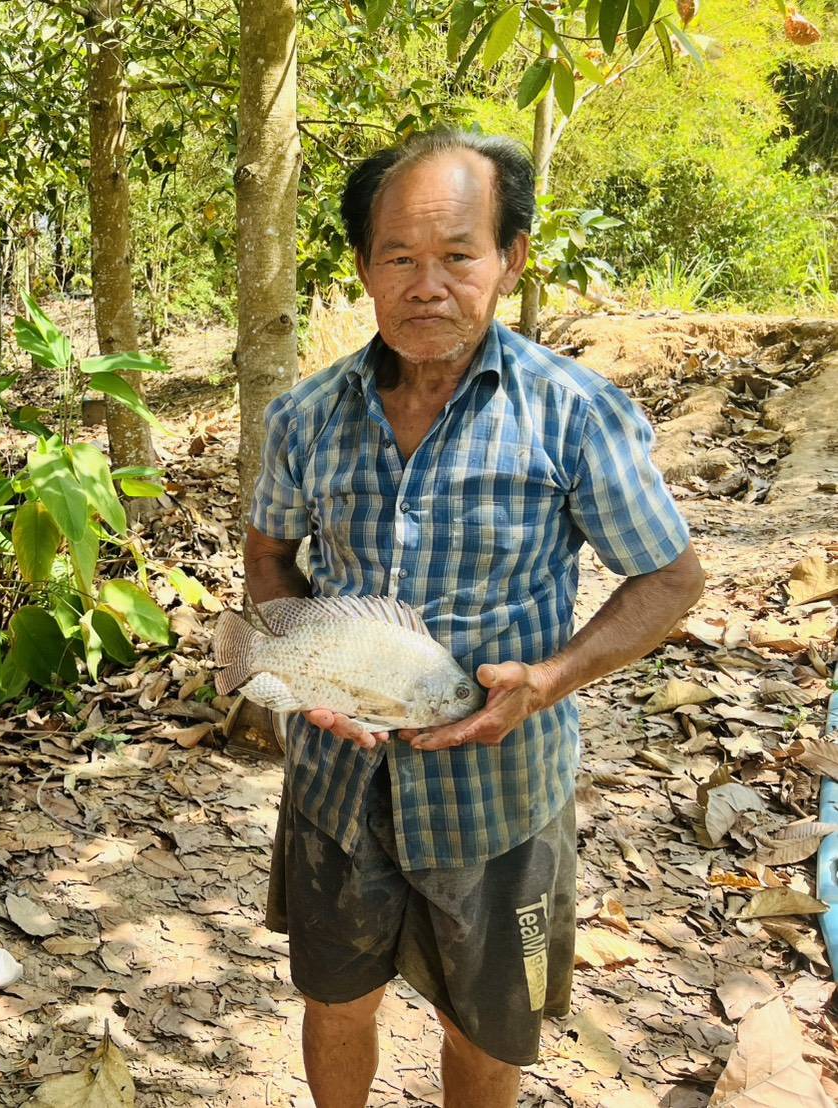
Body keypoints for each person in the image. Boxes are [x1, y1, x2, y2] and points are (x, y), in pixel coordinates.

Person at [244, 130, 705, 1108]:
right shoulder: (303, 418)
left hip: (497, 798)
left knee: (487, 1035)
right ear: (364, 268)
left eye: (458, 255)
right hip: (336, 788)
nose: (427, 285)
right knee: (335, 1006)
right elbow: (270, 555)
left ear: (510, 259)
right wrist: (296, 663)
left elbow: (669, 577)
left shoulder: (575, 414)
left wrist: (551, 679)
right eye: (399, 258)